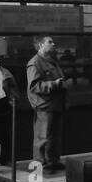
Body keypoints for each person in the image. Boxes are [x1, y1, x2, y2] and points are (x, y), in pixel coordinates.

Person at [27, 35, 70, 173]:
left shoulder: (51, 61)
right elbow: (34, 86)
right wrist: (54, 84)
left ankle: (53, 161)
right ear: (40, 45)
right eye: (49, 42)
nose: (53, 44)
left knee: (55, 136)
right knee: (43, 137)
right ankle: (41, 166)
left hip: (56, 104)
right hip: (45, 106)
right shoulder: (34, 63)